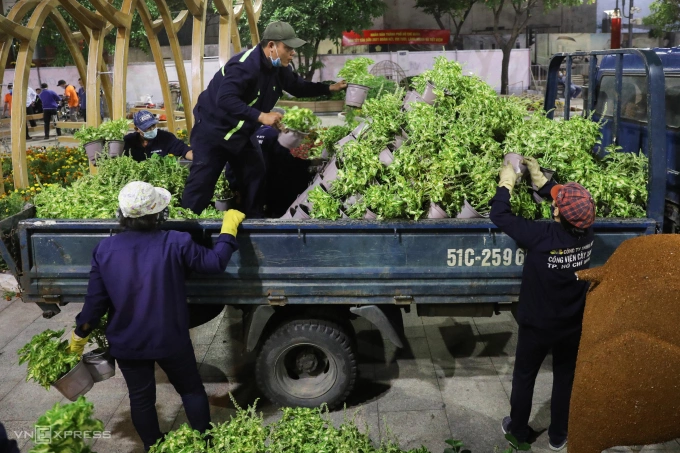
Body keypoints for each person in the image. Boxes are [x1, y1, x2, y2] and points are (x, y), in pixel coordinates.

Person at [68, 181, 245, 452]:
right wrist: (228, 229)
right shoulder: (175, 241)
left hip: (128, 342)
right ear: (157, 213)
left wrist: (81, 332)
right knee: (191, 390)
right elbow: (215, 263)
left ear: (122, 214)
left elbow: (95, 303)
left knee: (141, 399)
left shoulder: (104, 250)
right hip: (169, 338)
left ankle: (154, 446)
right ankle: (204, 443)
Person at [181, 20, 347, 218]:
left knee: (254, 177)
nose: (292, 53)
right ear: (271, 46)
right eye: (288, 48)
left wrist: (329, 88)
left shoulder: (278, 68)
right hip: (213, 133)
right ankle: (183, 234)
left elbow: (297, 86)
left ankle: (252, 225)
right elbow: (225, 99)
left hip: (242, 134)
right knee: (201, 187)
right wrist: (261, 116)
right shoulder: (245, 66)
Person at [490, 158, 595, 451]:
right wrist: (541, 180)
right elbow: (568, 201)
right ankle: (559, 435)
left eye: (557, 204)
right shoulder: (587, 233)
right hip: (572, 323)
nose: (555, 204)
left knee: (524, 377)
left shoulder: (540, 236)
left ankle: (519, 432)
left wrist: (506, 183)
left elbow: (499, 214)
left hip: (537, 324)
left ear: (558, 212)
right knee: (564, 378)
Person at [226, 125, 324, 217]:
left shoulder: (251, 132)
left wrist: (234, 187)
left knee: (246, 210)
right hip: (263, 185)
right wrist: (310, 163)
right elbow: (287, 162)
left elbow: (230, 162)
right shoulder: (275, 135)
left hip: (244, 183)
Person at [124, 110, 193, 162]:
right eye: (147, 128)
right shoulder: (129, 141)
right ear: (137, 129)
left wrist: (198, 158)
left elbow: (184, 150)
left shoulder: (166, 138)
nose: (152, 129)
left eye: (153, 126)